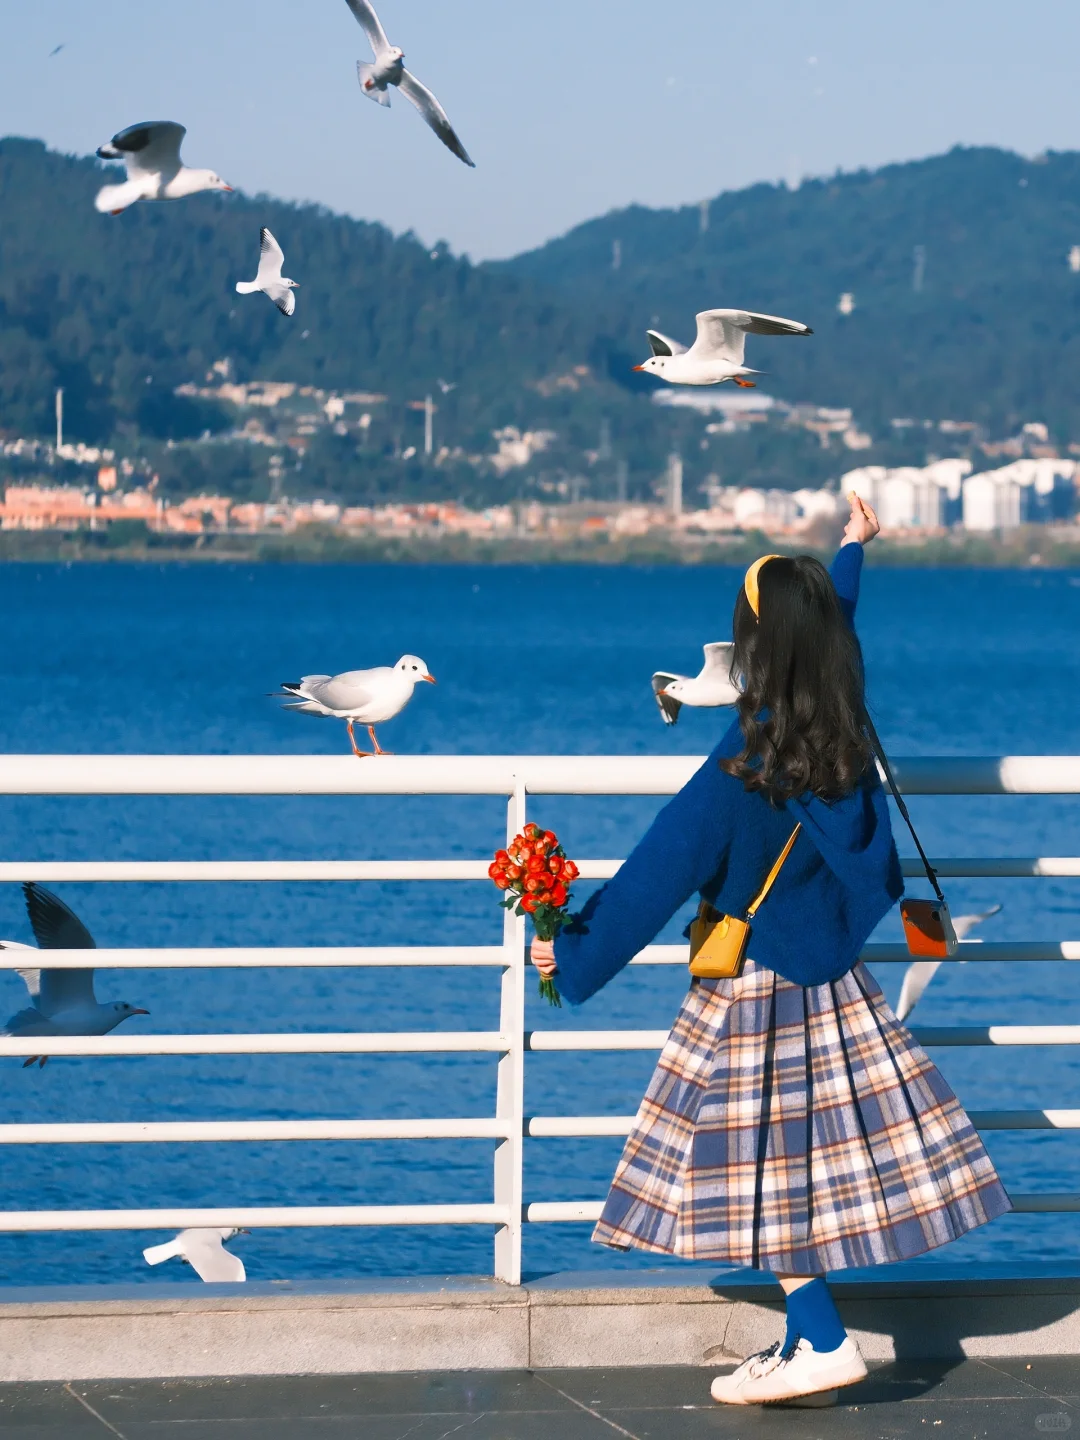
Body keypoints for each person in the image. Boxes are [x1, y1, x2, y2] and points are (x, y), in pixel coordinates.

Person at [531, 495, 1011, 1408]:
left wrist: (573, 951)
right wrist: (852, 550)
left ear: (758, 643)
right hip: (832, 976)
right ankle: (801, 1342)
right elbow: (834, 622)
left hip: (758, 986)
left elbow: (655, 875)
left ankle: (823, 1341)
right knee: (802, 1162)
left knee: (764, 1171)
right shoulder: (840, 726)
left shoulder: (741, 763)